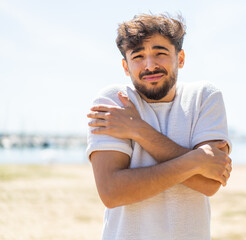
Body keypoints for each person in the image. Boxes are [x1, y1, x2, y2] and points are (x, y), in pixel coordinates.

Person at [86, 13, 232, 240]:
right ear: (126, 66)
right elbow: (112, 192)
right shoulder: (115, 101)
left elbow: (210, 183)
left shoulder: (204, 96)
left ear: (180, 58)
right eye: (138, 56)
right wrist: (195, 160)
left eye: (160, 53)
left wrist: (139, 131)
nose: (150, 65)